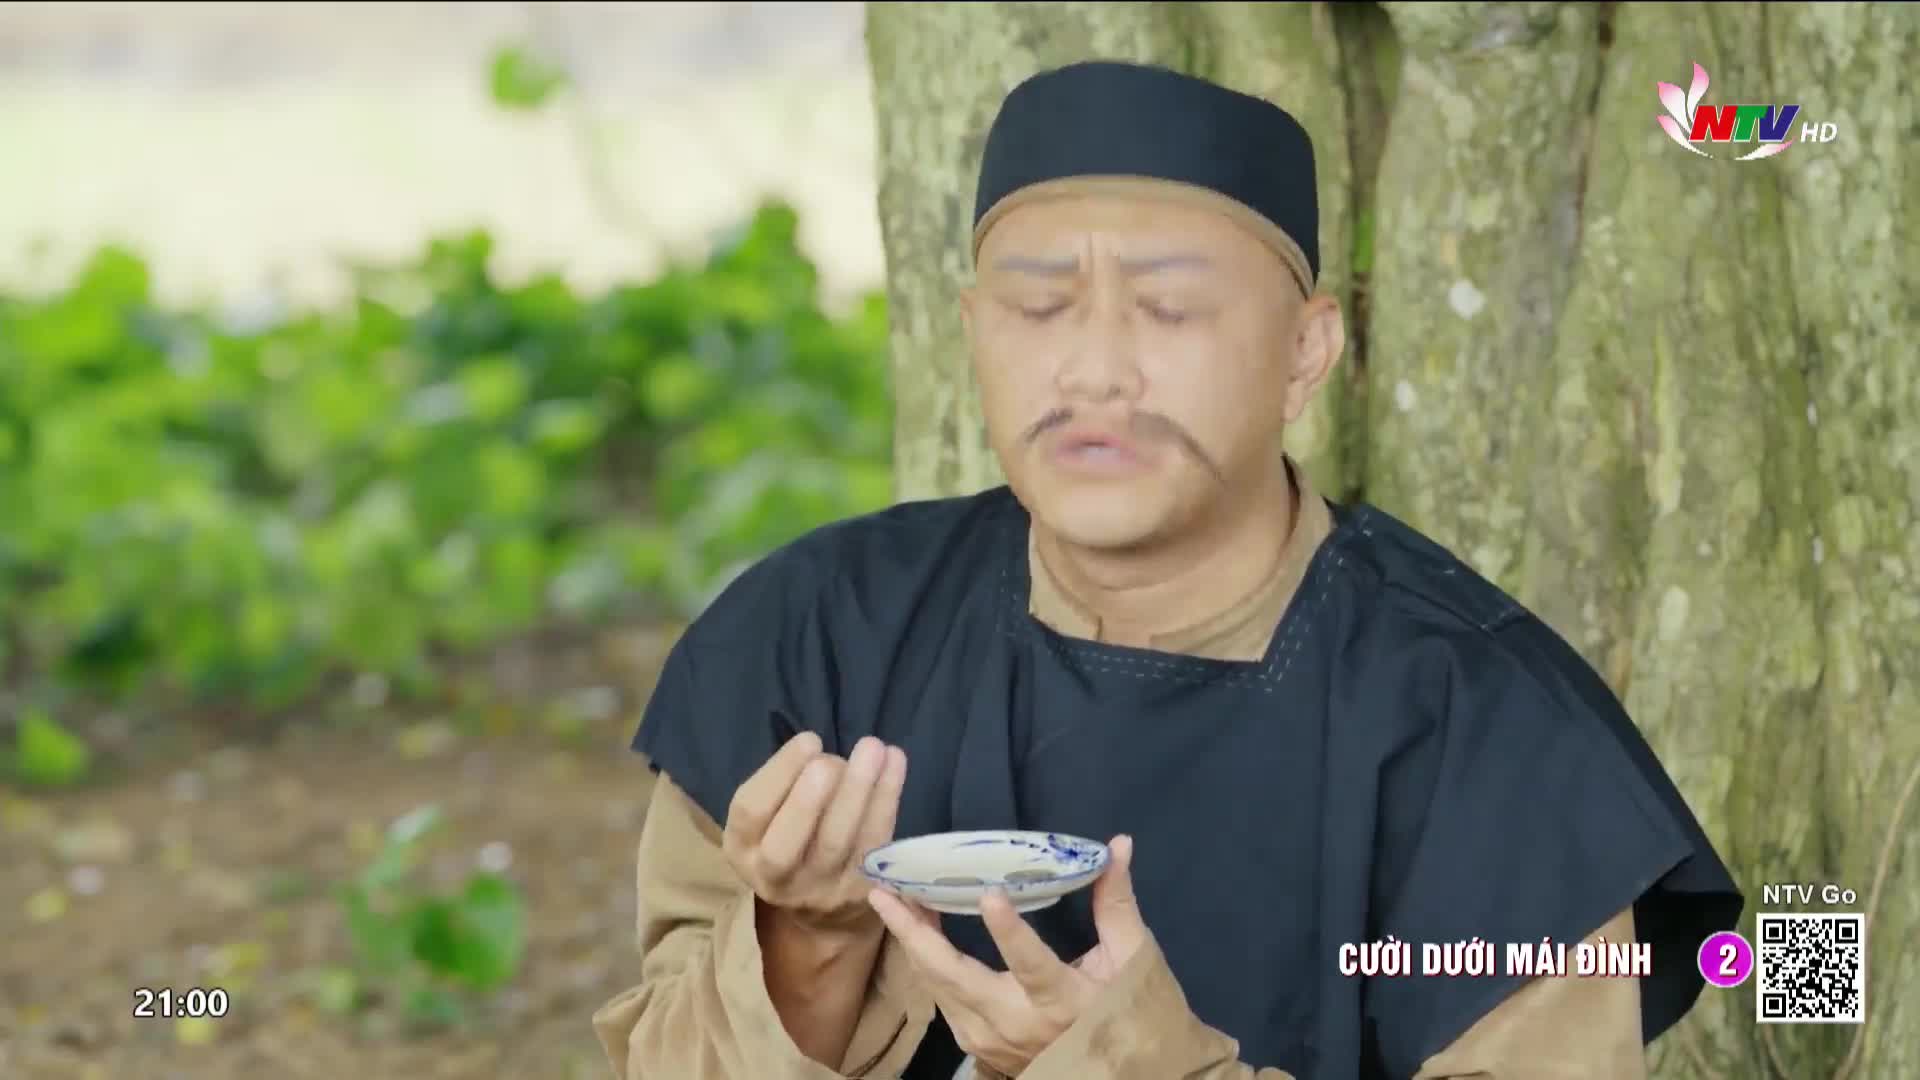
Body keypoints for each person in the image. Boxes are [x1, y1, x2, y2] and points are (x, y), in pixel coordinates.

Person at [591, 60, 1743, 1080]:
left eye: (1170, 309)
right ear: (974, 331)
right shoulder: (823, 641)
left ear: (1305, 353)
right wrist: (810, 943)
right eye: (1039, 306)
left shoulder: (1479, 729)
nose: (1096, 371)